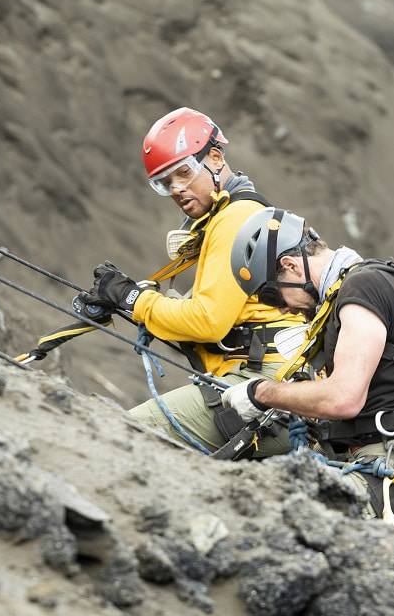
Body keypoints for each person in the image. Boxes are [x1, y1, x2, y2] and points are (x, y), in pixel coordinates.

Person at [220, 207, 394, 540]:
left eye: (272, 295)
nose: (283, 309)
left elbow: (343, 398)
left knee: (274, 522)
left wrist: (261, 393)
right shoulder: (357, 289)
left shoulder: (362, 287)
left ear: (289, 266)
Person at [77, 107, 303, 456]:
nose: (177, 190)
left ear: (214, 157)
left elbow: (207, 321)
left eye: (183, 173)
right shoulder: (240, 215)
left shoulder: (234, 219)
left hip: (259, 386)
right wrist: (140, 300)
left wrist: (133, 300)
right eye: (165, 183)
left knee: (118, 436)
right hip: (275, 381)